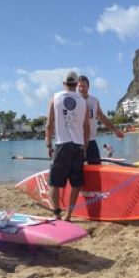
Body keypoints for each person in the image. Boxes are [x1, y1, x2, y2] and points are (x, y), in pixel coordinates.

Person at [44, 71, 89, 222]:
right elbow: (86, 128)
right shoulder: (83, 101)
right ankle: (69, 215)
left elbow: (49, 124)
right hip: (78, 146)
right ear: (77, 84)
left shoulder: (55, 98)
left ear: (63, 83)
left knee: (54, 182)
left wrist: (48, 144)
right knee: (76, 183)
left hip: (62, 144)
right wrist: (85, 148)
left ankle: (57, 214)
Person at [76, 75, 124, 164]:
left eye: (84, 86)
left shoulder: (94, 101)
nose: (81, 89)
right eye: (79, 86)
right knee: (77, 172)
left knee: (96, 168)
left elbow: (102, 117)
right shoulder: (74, 101)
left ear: (88, 87)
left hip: (91, 141)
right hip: (77, 142)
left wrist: (115, 130)